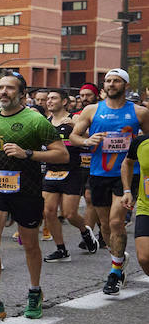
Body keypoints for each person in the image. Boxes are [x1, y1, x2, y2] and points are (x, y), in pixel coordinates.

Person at [0, 73, 68, 322]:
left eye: (10, 88)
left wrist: (27, 153)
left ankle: (34, 291)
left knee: (30, 244)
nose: (3, 92)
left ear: (22, 94)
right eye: (1, 88)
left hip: (27, 189)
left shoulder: (36, 120)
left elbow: (62, 155)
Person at [70, 68, 147, 295]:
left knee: (115, 222)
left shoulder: (139, 112)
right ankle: (119, 259)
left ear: (125, 85)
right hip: (99, 174)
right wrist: (87, 140)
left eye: (116, 81)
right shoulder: (92, 110)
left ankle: (115, 272)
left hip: (127, 175)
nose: (111, 84)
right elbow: (74, 136)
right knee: (105, 226)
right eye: (107, 81)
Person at [41, 88, 97, 261]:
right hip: (51, 171)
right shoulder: (45, 122)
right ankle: (61, 249)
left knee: (69, 214)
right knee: (48, 211)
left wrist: (75, 128)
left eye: (53, 98)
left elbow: (91, 140)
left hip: (72, 170)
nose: (49, 101)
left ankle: (85, 231)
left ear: (64, 101)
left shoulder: (75, 119)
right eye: (48, 98)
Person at [122, 128, 149, 277]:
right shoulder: (141, 142)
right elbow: (127, 163)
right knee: (144, 258)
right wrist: (127, 190)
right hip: (146, 207)